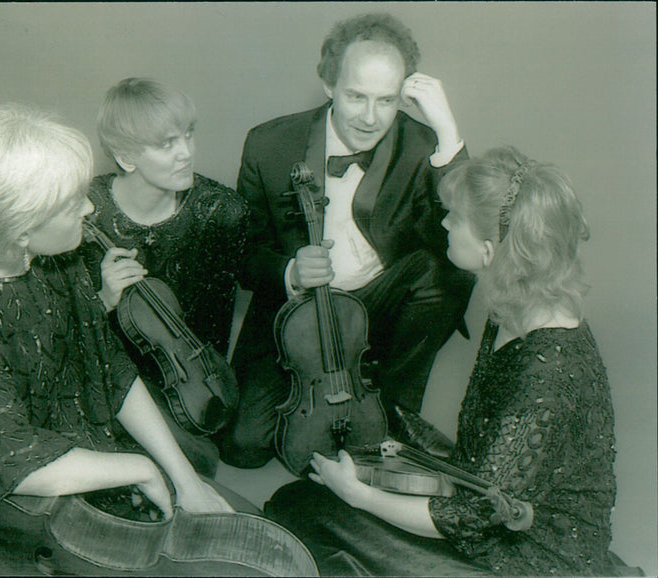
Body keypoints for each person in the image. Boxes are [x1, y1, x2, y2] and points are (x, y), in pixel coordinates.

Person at [265, 146, 620, 576]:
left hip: (529, 559)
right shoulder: (515, 309)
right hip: (490, 501)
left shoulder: (545, 373)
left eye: (455, 217)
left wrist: (360, 495)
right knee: (302, 504)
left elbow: (472, 516)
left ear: (491, 251)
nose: (444, 223)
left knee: (297, 512)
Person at [0, 103, 236, 528]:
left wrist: (185, 479)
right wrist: (141, 469)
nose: (89, 209)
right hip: (26, 503)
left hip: (91, 453)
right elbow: (17, 461)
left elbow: (113, 371)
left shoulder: (55, 260)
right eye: (71, 204)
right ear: (21, 228)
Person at [218, 12, 476, 468]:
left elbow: (469, 235)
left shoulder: (423, 145)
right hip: (294, 313)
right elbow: (241, 253)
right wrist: (289, 271)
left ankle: (394, 408)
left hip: (378, 308)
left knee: (440, 274)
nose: (371, 117)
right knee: (243, 449)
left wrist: (450, 138)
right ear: (328, 84)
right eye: (356, 96)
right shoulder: (269, 144)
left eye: (387, 100)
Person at [78, 78, 248, 478]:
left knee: (193, 458)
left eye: (188, 135)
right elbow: (63, 324)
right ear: (126, 156)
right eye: (167, 144)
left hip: (185, 385)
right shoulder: (85, 210)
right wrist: (102, 297)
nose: (186, 153)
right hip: (107, 375)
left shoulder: (222, 211)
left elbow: (213, 328)